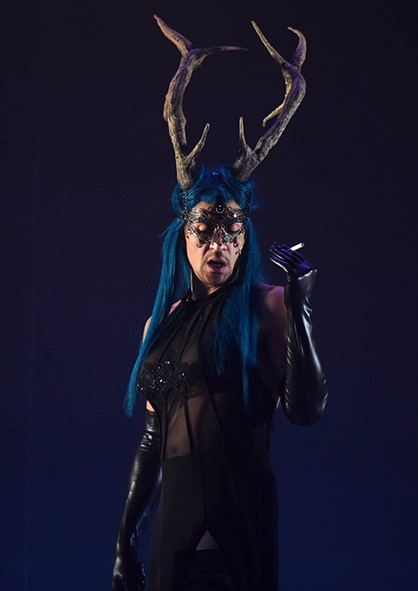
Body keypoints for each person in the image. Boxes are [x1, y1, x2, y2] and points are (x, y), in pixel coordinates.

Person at [111, 17, 327, 591]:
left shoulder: (268, 305)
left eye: (233, 230)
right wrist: (124, 539)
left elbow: (305, 412)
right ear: (182, 234)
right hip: (174, 516)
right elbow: (153, 439)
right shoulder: (161, 323)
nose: (219, 244)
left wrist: (300, 308)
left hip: (237, 504)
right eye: (204, 230)